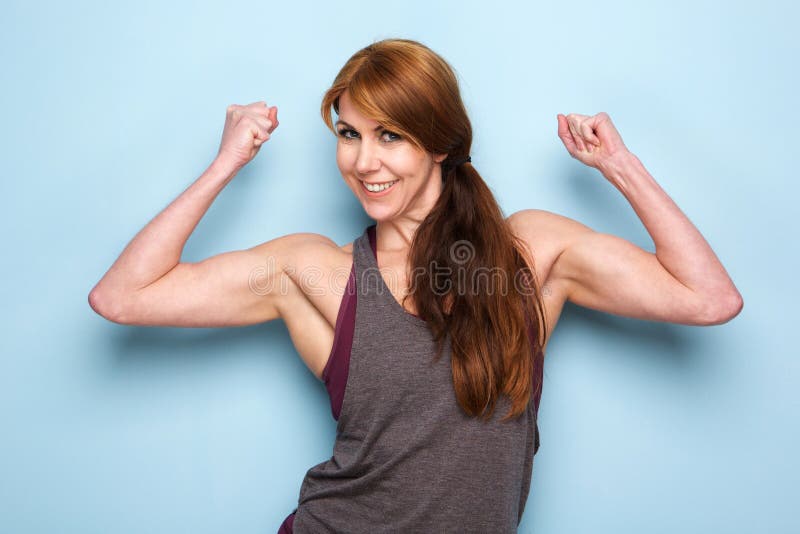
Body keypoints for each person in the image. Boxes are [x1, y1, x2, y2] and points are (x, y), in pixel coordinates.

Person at [88, 38, 743, 533]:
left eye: (389, 136)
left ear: (438, 144)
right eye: (348, 135)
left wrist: (620, 167)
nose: (363, 161)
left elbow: (709, 299)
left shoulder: (530, 252)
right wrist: (227, 162)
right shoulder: (319, 272)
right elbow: (122, 297)